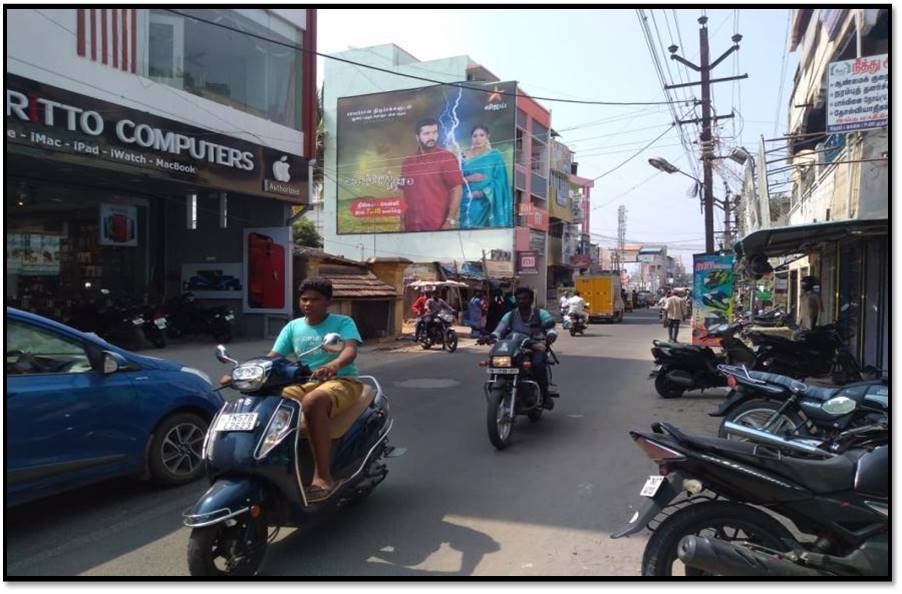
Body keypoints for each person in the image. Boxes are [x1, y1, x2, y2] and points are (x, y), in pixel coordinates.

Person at [266, 277, 364, 502]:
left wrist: (333, 365)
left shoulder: (343, 322)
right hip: (304, 381)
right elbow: (274, 356)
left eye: (315, 299)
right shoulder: (293, 326)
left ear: (328, 301)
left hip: (342, 380)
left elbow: (350, 350)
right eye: (304, 299)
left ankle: (323, 477)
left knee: (312, 401)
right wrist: (245, 370)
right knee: (269, 400)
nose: (308, 304)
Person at [485, 287, 558, 409]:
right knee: (496, 362)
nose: (521, 301)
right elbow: (499, 329)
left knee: (538, 364)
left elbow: (551, 329)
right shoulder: (510, 315)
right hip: (515, 346)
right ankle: (495, 386)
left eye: (525, 299)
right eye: (518, 299)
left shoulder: (541, 313)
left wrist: (551, 335)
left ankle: (545, 395)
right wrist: (492, 336)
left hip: (535, 346)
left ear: (531, 300)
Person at [400, 118, 465, 232]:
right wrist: (401, 222)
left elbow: (457, 189)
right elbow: (402, 192)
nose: (432, 137)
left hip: (438, 226)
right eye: (427, 133)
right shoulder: (407, 162)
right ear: (417, 137)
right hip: (410, 226)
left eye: (434, 132)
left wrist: (450, 221)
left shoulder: (447, 158)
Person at [459, 125, 513, 229]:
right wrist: (470, 178)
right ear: (471, 138)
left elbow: (501, 181)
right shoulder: (463, 157)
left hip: (488, 201)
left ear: (487, 137)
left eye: (481, 135)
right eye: (475, 136)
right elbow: (454, 180)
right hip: (467, 201)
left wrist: (482, 192)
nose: (478, 139)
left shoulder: (495, 155)